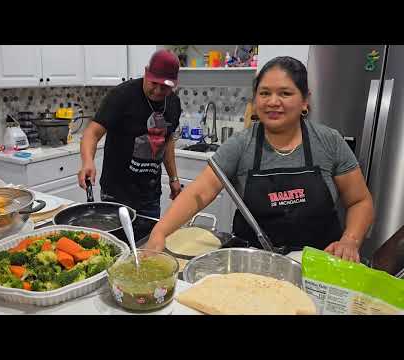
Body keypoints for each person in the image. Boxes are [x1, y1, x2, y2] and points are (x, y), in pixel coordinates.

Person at [145, 56, 374, 263]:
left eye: (285, 93)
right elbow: (199, 192)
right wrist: (160, 232)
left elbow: (360, 201)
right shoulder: (241, 144)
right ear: (255, 99)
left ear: (305, 101)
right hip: (253, 264)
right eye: (264, 93)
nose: (273, 101)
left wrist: (350, 240)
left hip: (319, 265)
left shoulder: (328, 141)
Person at [78, 49, 182, 218]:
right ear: (146, 73)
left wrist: (173, 178)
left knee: (146, 243)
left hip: (150, 196)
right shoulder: (122, 96)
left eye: (164, 87)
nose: (157, 91)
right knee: (118, 243)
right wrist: (88, 162)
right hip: (117, 195)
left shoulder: (173, 103)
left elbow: (167, 141)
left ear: (174, 84)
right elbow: (92, 133)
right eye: (153, 83)